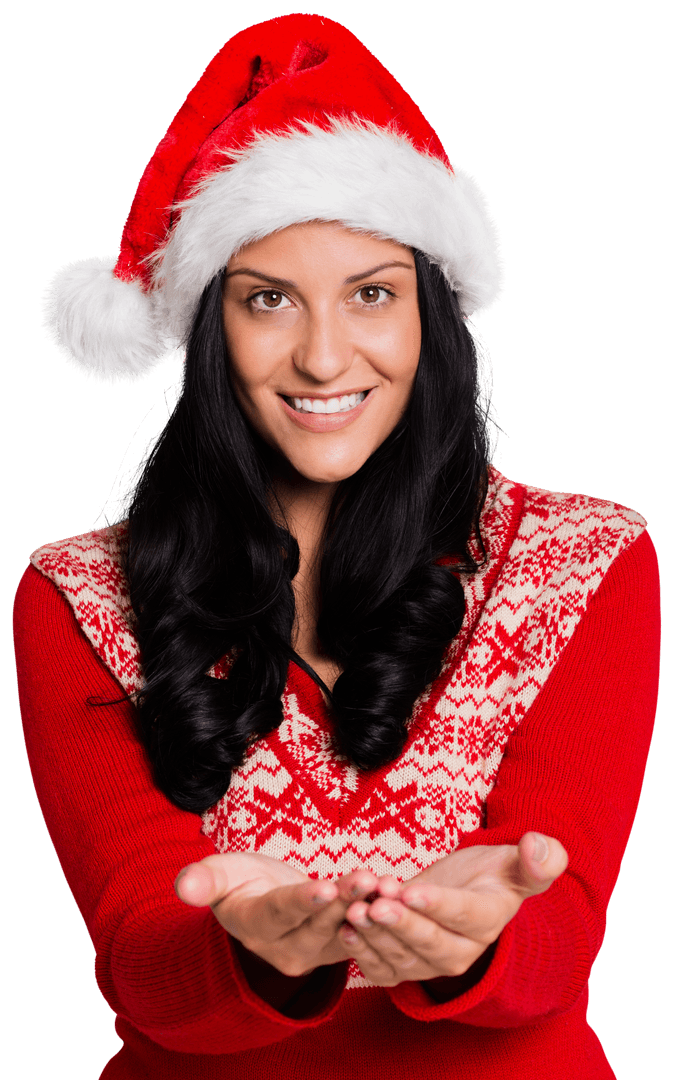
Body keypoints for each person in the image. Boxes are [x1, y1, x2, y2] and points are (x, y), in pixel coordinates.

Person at [12, 12, 660, 1080]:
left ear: (430, 318)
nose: (322, 357)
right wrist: (253, 954)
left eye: (370, 293)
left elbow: (561, 919)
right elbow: (138, 947)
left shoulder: (579, 557)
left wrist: (481, 941)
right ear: (209, 330)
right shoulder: (78, 591)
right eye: (267, 300)